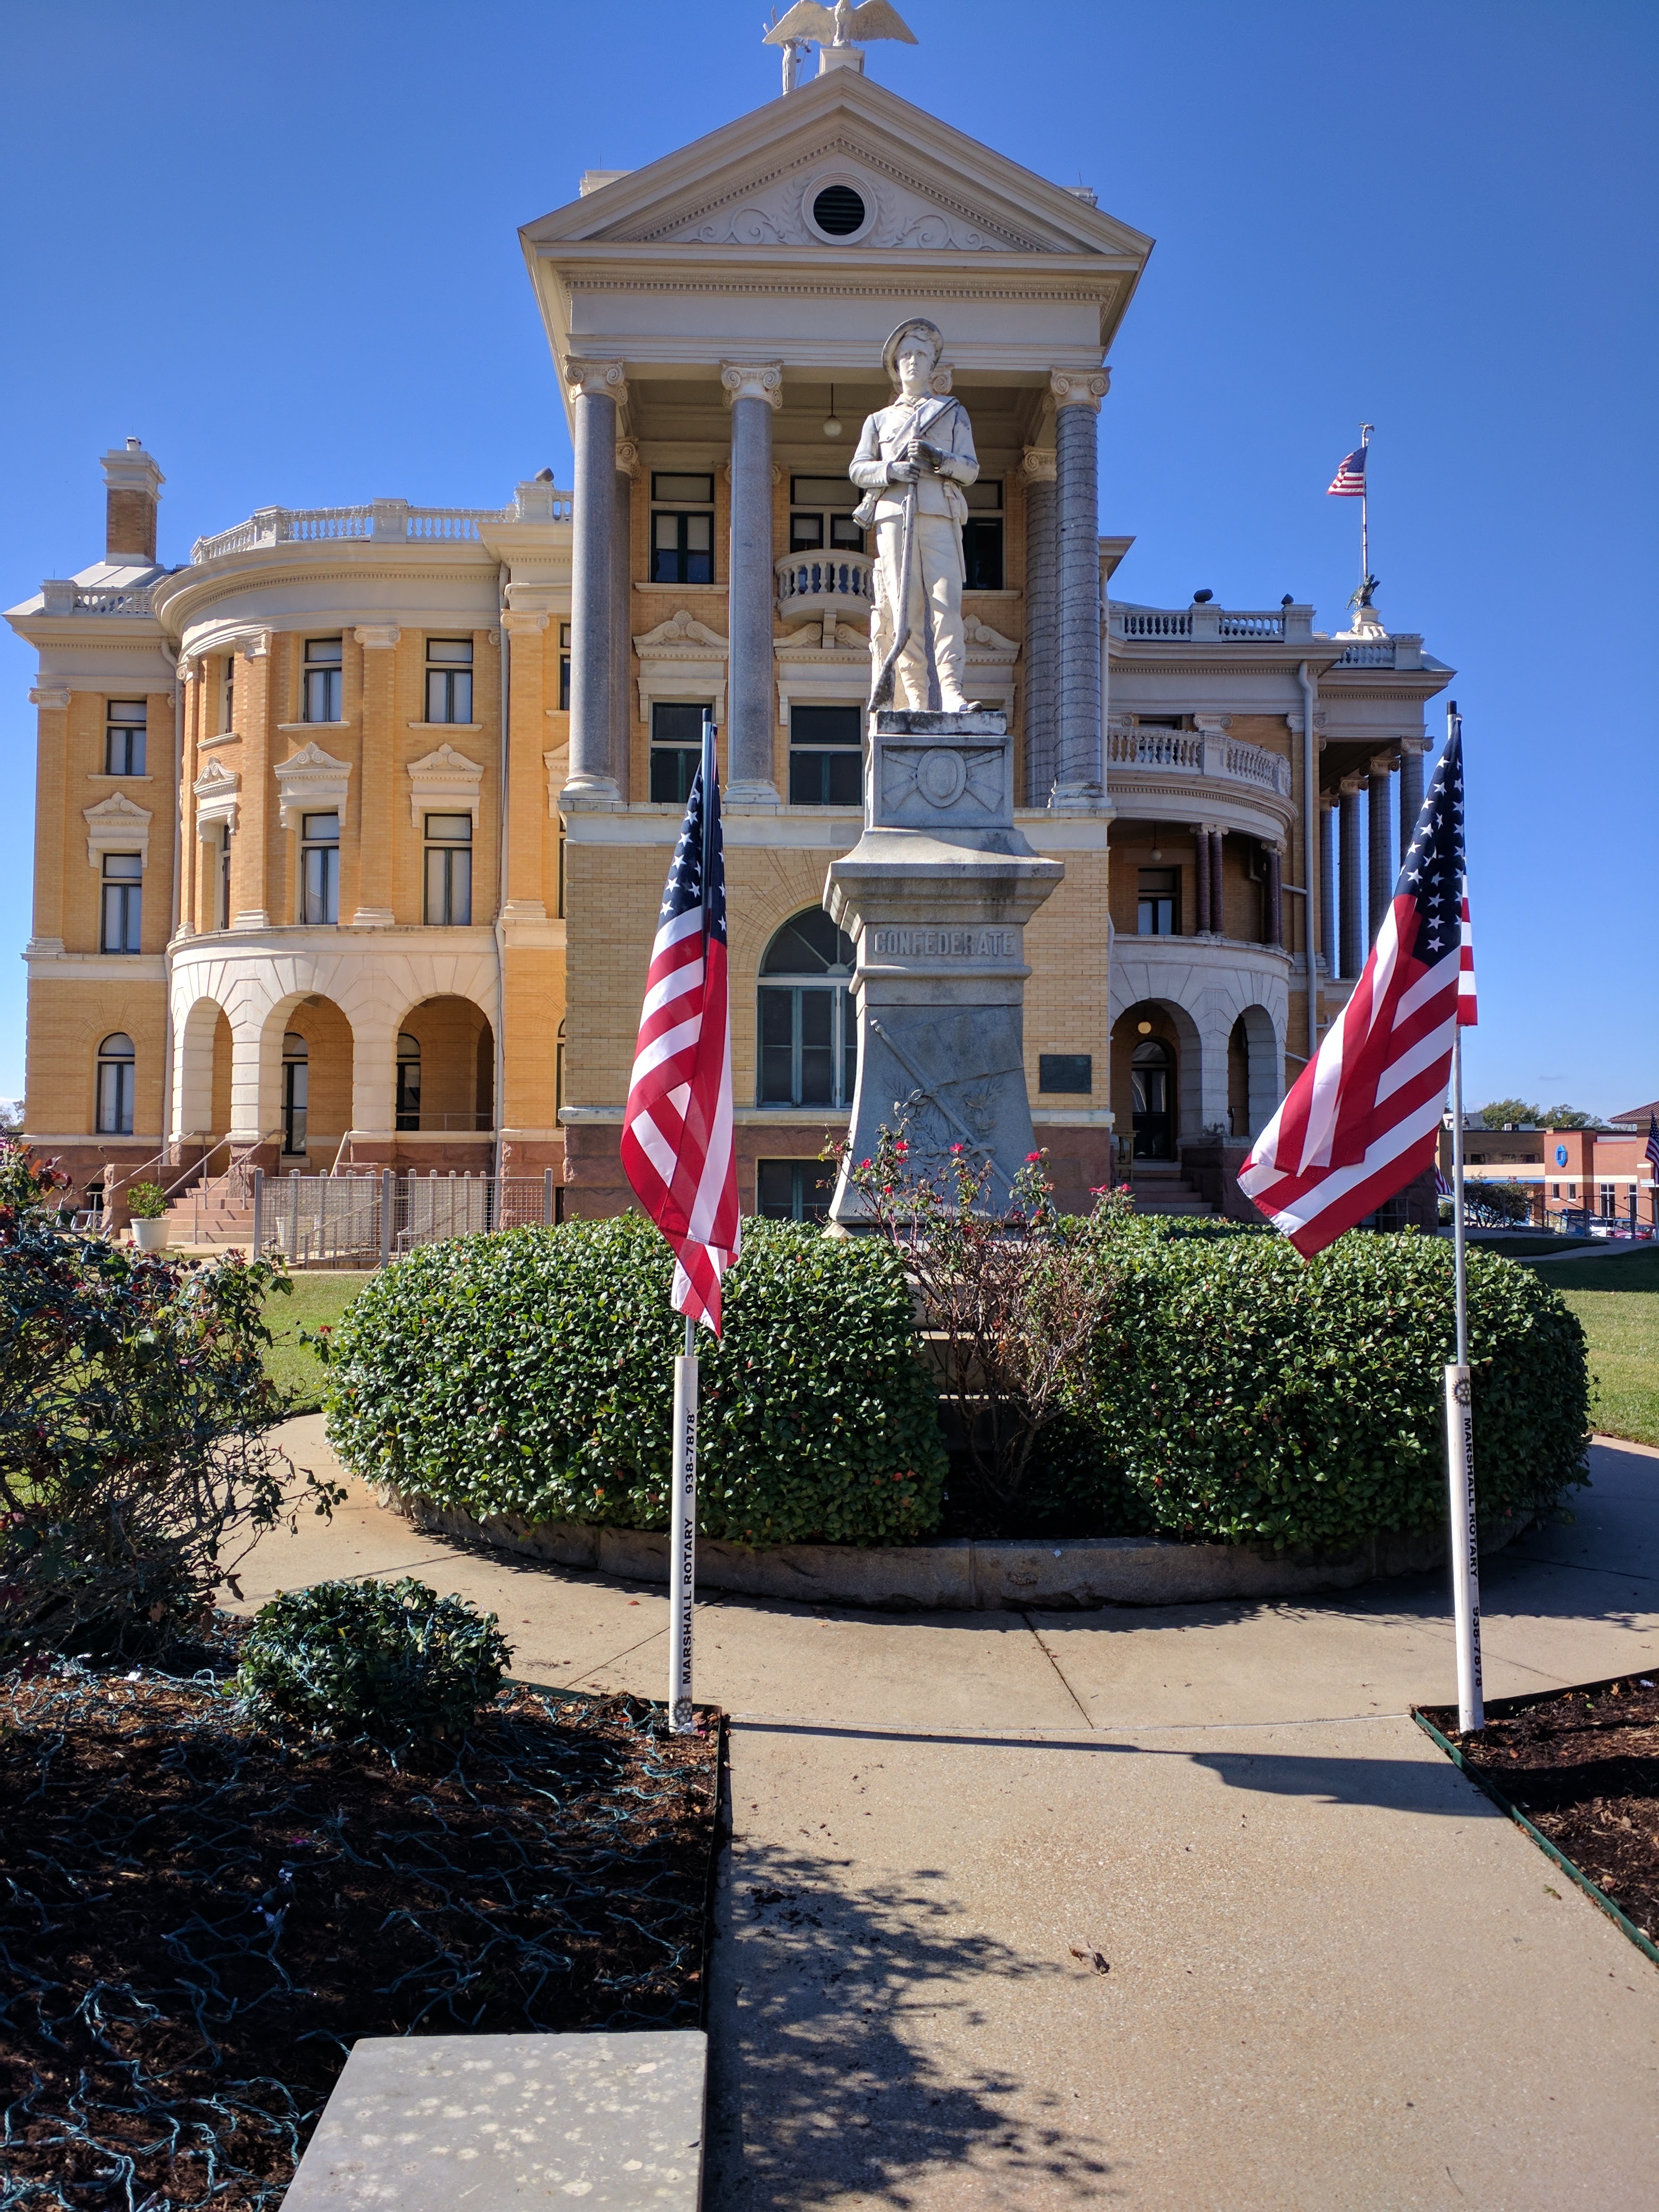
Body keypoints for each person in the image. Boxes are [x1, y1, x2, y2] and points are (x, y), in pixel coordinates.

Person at [849, 318, 979, 713]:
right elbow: (858, 469)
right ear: (895, 365)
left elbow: (971, 469)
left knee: (945, 605)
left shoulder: (951, 412)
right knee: (905, 612)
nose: (912, 362)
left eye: (921, 355)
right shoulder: (879, 420)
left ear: (932, 364)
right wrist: (892, 471)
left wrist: (939, 459)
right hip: (893, 516)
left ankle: (952, 692)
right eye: (905, 354)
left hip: (939, 513)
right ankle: (917, 701)